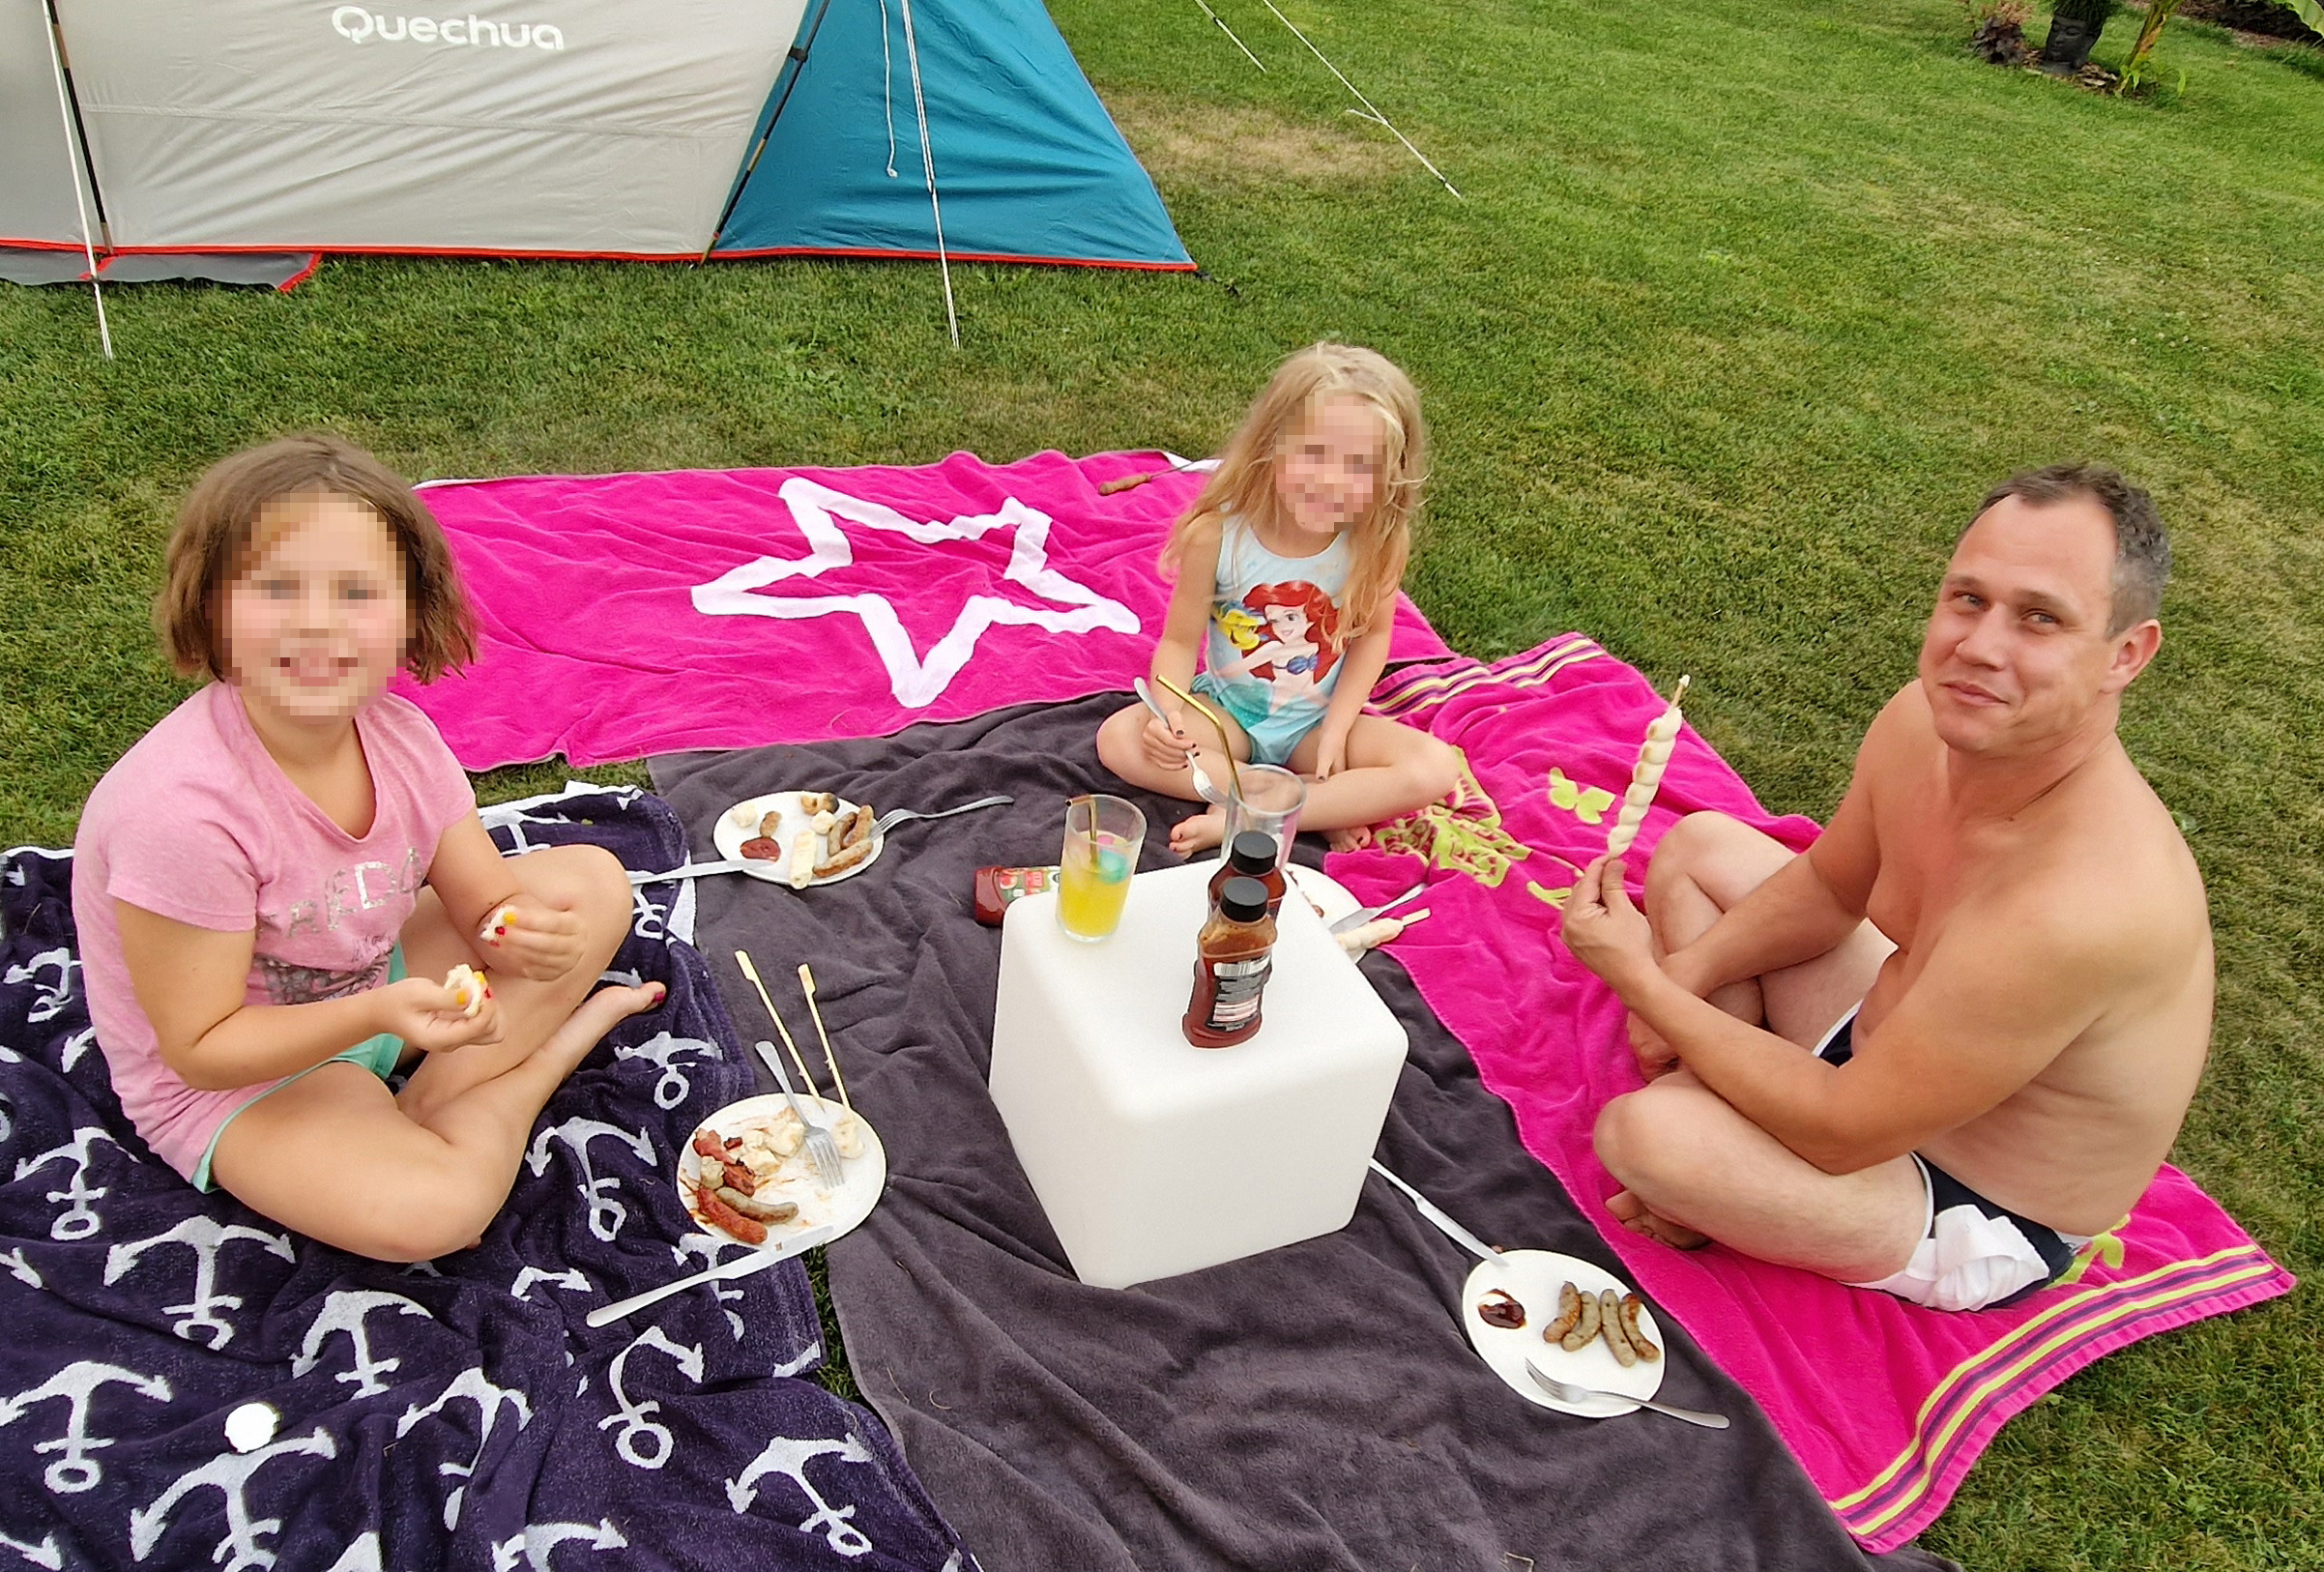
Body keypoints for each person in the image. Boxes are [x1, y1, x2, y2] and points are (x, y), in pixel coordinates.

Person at [1559, 464, 2212, 1312]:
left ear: (2126, 654)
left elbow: (1841, 1132)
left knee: (1646, 1134)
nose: (1979, 647)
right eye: (1969, 599)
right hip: (1879, 1051)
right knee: (1699, 848)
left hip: (1968, 1196)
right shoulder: (1920, 722)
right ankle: (1735, 1110)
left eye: (2040, 618)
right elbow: (1831, 889)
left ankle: (1722, 1143)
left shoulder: (2079, 907)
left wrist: (1643, 982)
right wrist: (1689, 974)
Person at [72, 435, 662, 1263]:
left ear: (411, 615)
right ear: (210, 607)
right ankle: (538, 1064)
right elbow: (201, 1050)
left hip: (370, 982)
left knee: (592, 880)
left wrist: (522, 933)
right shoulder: (180, 813)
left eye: (356, 592)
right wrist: (378, 1014)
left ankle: (429, 1108)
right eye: (277, 588)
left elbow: (487, 905)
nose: (317, 621)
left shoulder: (402, 737)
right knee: (435, 1214)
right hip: (247, 1079)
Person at [1096, 343, 1461, 855]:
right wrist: (1167, 713)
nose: (1330, 480)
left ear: (1388, 474)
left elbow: (1374, 636)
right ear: (1272, 445)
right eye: (1314, 454)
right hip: (1229, 718)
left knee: (1435, 767)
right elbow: (1178, 643)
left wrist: (1336, 733)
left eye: (1359, 465)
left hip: (1318, 725)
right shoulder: (1216, 535)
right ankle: (1310, 804)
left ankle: (1245, 812)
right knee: (1119, 739)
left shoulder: (1376, 539)